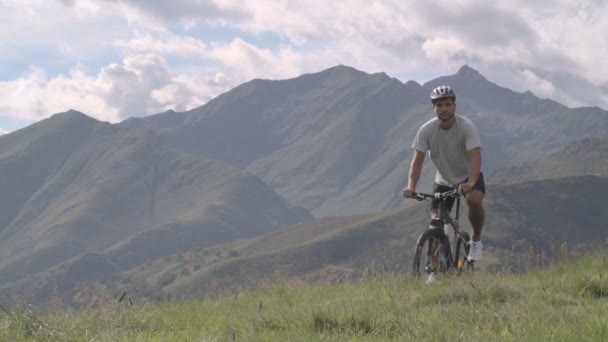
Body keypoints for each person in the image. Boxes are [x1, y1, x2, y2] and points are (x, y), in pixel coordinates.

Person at [402, 85, 485, 262]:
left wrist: (471, 182)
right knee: (436, 223)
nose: (444, 109)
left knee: (474, 200)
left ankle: (476, 240)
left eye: (447, 104)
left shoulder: (466, 127)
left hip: (468, 176)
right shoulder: (426, 130)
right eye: (439, 106)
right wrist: (411, 187)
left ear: (454, 106)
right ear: (434, 108)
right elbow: (417, 161)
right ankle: (434, 269)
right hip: (444, 179)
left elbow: (476, 157)